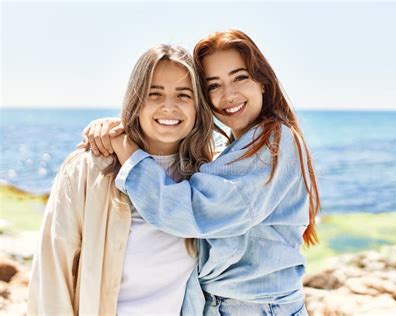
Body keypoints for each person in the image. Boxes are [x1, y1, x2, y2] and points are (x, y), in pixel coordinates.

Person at [83, 29, 320, 315]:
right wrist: (124, 127)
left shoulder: (274, 141)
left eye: (239, 77)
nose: (228, 95)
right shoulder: (237, 150)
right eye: (213, 85)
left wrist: (129, 151)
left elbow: (194, 211)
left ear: (263, 82)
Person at [27, 44, 214, 315]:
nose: (169, 107)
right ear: (136, 99)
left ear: (199, 105)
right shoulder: (89, 169)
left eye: (184, 95)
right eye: (154, 94)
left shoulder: (207, 176)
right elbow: (52, 272)